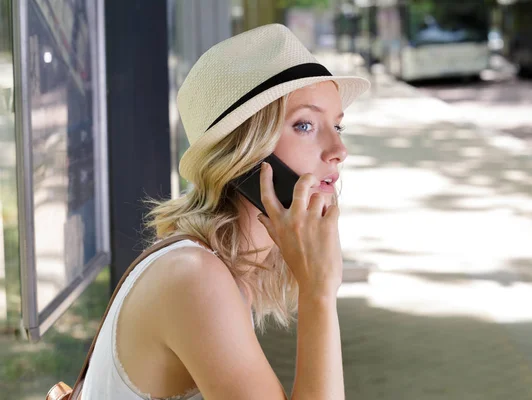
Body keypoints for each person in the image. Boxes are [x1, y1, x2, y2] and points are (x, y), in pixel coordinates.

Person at [81, 23, 369, 400]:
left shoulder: (224, 272)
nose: (338, 150)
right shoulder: (194, 277)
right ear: (246, 153)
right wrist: (319, 293)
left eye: (337, 125)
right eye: (305, 125)